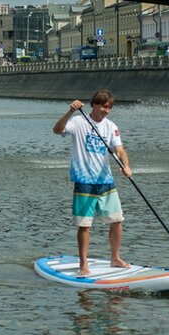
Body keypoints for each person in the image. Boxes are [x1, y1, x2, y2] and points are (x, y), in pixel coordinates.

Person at [52, 90, 132, 276]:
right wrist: (70, 111)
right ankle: (83, 264)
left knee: (117, 221)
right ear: (94, 105)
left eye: (109, 107)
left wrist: (126, 166)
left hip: (106, 181)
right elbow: (57, 130)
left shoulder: (111, 126)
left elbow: (120, 150)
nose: (107, 111)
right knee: (85, 225)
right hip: (84, 181)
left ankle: (115, 257)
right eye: (104, 106)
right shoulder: (78, 122)